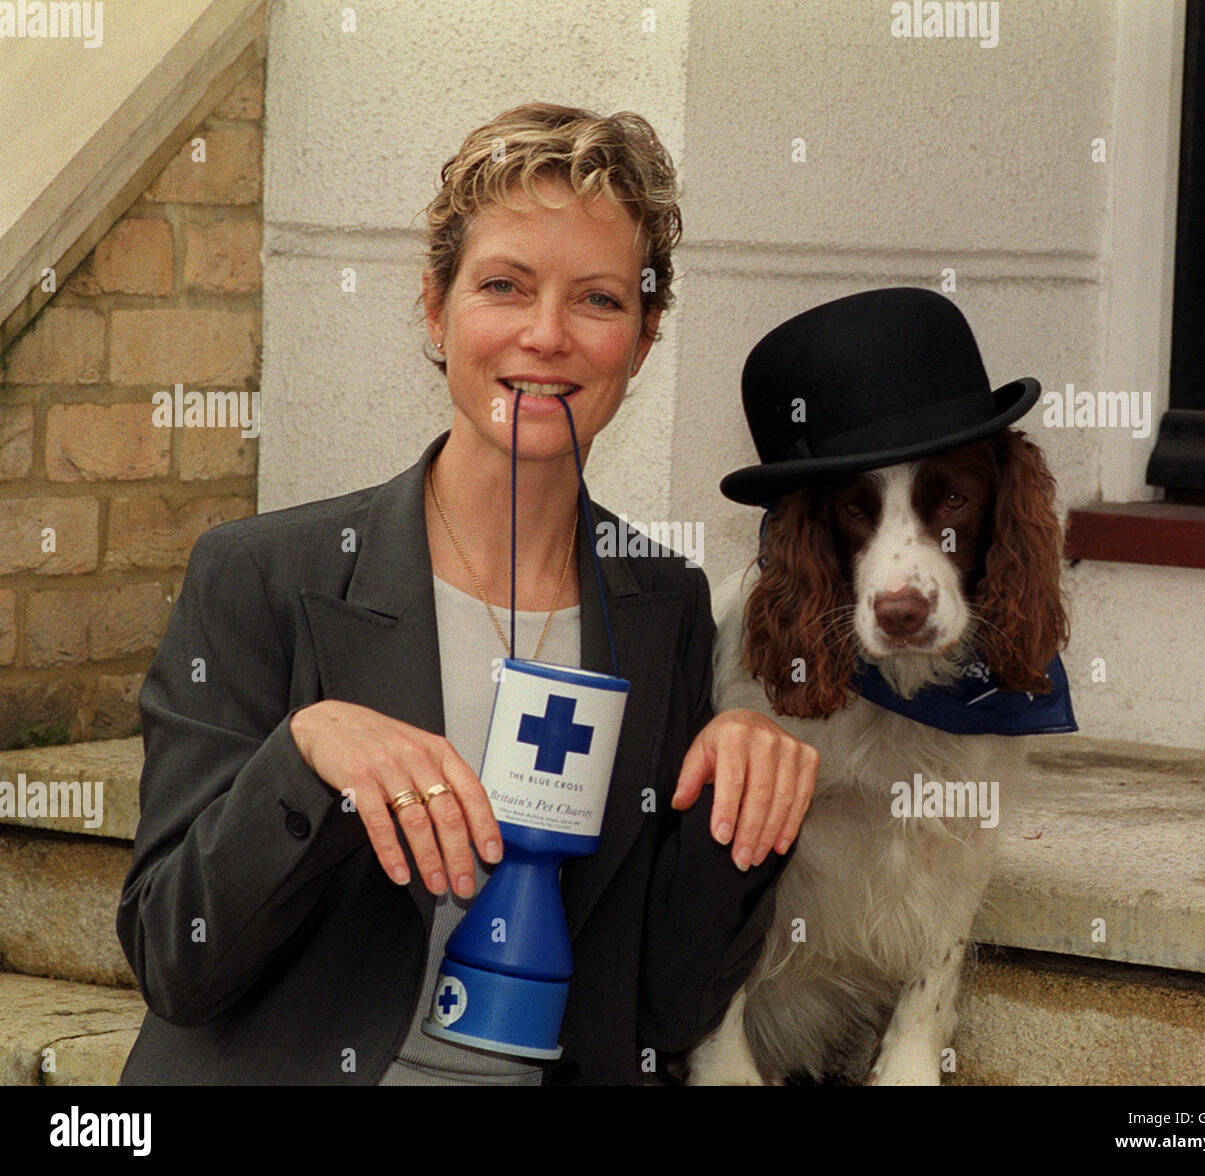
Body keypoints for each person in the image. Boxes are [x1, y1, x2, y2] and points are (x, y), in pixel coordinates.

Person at [116, 102, 818, 1085]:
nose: (546, 335)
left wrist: (734, 809)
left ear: (646, 337)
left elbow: (663, 1005)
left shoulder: (663, 604)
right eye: (504, 285)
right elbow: (173, 960)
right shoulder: (264, 577)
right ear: (435, 308)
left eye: (599, 300)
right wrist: (305, 761)